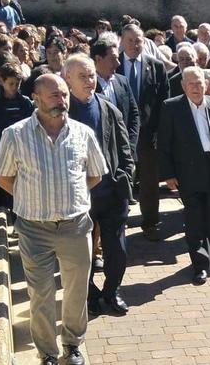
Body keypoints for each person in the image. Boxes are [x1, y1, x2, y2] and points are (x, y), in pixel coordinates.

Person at [0, 73, 107, 365]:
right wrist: (32, 198)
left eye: (65, 94)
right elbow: (3, 178)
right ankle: (47, 353)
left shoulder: (82, 133)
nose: (62, 100)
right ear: (36, 98)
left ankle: (72, 345)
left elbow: (95, 174)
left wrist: (70, 196)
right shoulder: (15, 135)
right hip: (34, 229)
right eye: (55, 95)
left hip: (75, 226)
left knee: (76, 291)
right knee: (41, 293)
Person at [62, 55, 134, 316]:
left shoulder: (108, 108)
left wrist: (126, 175)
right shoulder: (60, 113)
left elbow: (124, 148)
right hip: (79, 198)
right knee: (83, 252)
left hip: (111, 192)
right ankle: (90, 294)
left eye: (91, 75)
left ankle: (112, 291)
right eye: (82, 76)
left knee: (118, 250)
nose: (89, 81)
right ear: (67, 78)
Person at [158, 67, 210, 285]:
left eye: (199, 83)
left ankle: (209, 255)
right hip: (188, 171)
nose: (195, 87)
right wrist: (168, 174)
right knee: (194, 221)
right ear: (183, 86)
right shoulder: (171, 107)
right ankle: (200, 265)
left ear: (206, 84)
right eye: (190, 83)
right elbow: (164, 144)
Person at [117, 24, 170, 241]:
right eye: (130, 40)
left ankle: (150, 223)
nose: (134, 45)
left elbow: (163, 101)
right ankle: (118, 222)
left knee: (149, 182)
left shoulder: (155, 66)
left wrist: (160, 131)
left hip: (148, 134)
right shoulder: (114, 64)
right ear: (122, 41)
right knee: (120, 179)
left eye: (138, 40)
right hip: (119, 134)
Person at [0, 61, 34, 210]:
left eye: (17, 84)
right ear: (1, 81)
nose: (15, 87)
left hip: (22, 153)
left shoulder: (26, 103)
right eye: (11, 84)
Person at [91, 36, 140, 159]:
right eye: (113, 59)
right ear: (98, 59)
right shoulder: (88, 86)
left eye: (118, 58)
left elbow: (134, 115)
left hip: (124, 153)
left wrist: (130, 146)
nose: (118, 63)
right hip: (98, 155)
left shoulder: (122, 82)